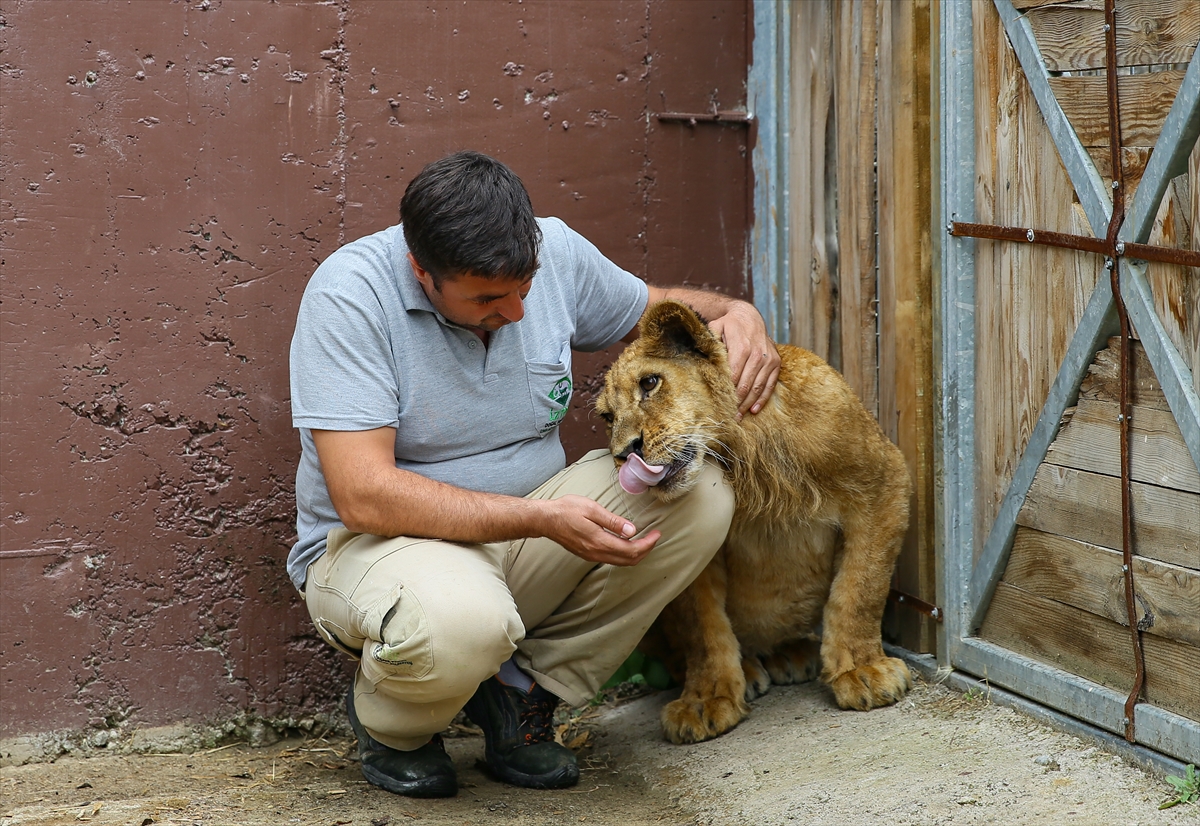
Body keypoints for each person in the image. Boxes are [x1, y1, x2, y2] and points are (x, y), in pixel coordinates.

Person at [287, 150, 780, 798]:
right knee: (463, 622)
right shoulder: (349, 296)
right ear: (422, 273)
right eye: (490, 299)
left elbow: (660, 307)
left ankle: (520, 695)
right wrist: (540, 519)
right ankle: (395, 729)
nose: (518, 312)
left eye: (524, 288)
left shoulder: (554, 254)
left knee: (700, 496)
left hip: (524, 536)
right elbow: (364, 497)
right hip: (385, 547)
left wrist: (737, 313)